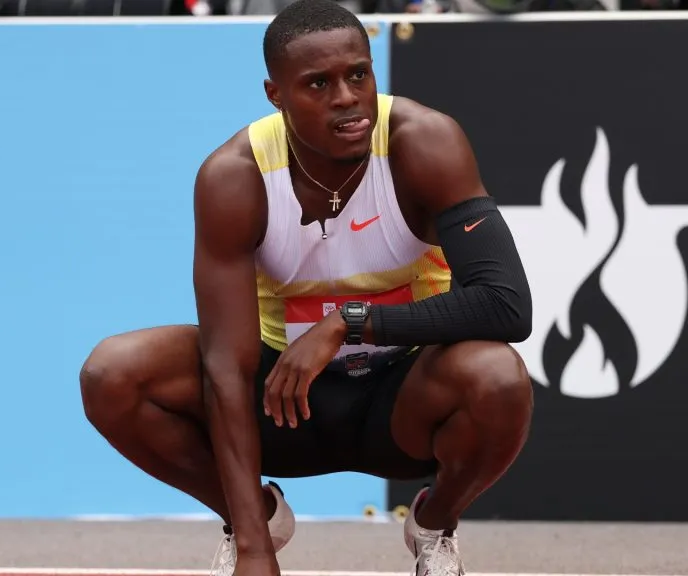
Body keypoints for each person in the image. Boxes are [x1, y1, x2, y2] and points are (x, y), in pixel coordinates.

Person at [79, 1, 534, 575]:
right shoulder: (236, 175)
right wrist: (254, 547)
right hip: (284, 401)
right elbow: (225, 365)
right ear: (276, 95)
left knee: (498, 376)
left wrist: (349, 321)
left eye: (358, 75)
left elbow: (506, 305)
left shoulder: (424, 142)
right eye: (318, 83)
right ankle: (255, 518)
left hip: (402, 401)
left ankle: (434, 523)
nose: (346, 97)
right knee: (113, 374)